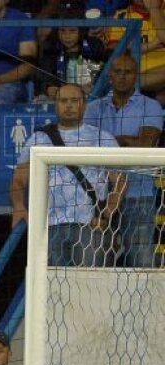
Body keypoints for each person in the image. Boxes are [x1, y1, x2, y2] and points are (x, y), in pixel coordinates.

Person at [10, 83, 125, 268]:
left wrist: (107, 213)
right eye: (64, 101)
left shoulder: (102, 138)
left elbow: (119, 180)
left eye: (74, 100)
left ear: (84, 105)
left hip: (90, 224)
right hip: (49, 225)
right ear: (56, 105)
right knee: (52, 287)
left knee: (88, 286)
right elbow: (18, 178)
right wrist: (18, 207)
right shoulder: (39, 138)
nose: (69, 105)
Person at [83, 53, 163, 268]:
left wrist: (108, 142)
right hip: (97, 195)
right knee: (94, 259)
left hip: (138, 193)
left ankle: (144, 303)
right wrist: (127, 141)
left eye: (127, 72)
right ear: (109, 75)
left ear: (135, 75)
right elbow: (85, 146)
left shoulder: (151, 106)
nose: (122, 76)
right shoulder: (92, 108)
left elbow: (145, 145)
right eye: (117, 71)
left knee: (141, 260)